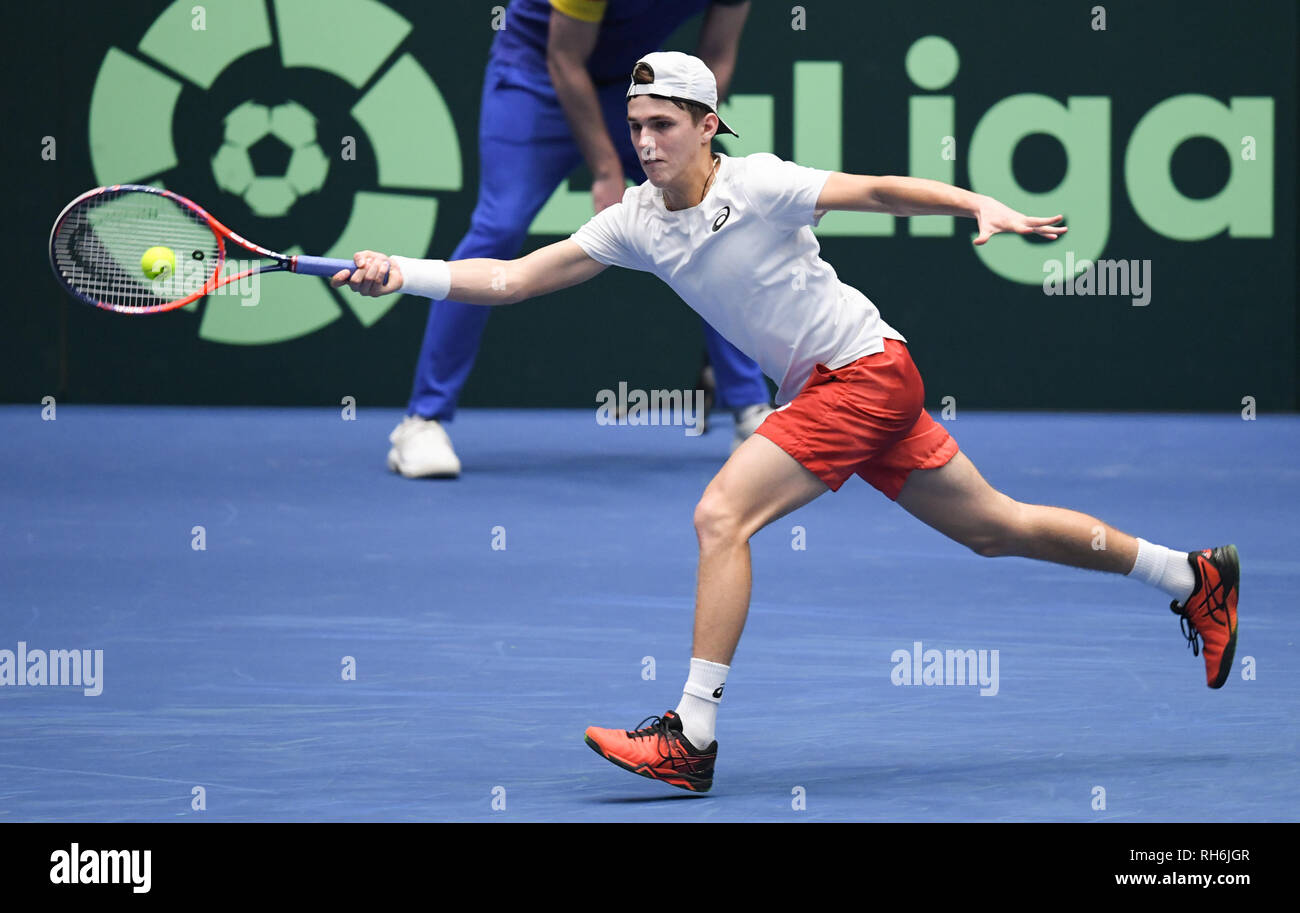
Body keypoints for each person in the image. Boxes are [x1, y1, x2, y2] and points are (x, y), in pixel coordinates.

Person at [333, 52, 1241, 793]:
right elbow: (514, 278)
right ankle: (1193, 574)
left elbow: (879, 190)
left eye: (663, 125)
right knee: (994, 529)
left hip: (864, 371)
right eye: (636, 125)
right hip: (841, 381)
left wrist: (976, 204)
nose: (644, 142)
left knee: (721, 515)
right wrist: (397, 271)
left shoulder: (760, 183)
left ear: (706, 126)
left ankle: (690, 734)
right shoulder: (637, 223)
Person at [391, 0, 772, 478]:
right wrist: (606, 168)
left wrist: (692, 135)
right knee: (499, 227)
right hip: (538, 77)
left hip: (644, 91)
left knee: (710, 214)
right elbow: (564, 58)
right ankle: (422, 421)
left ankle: (752, 411)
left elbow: (716, 56)